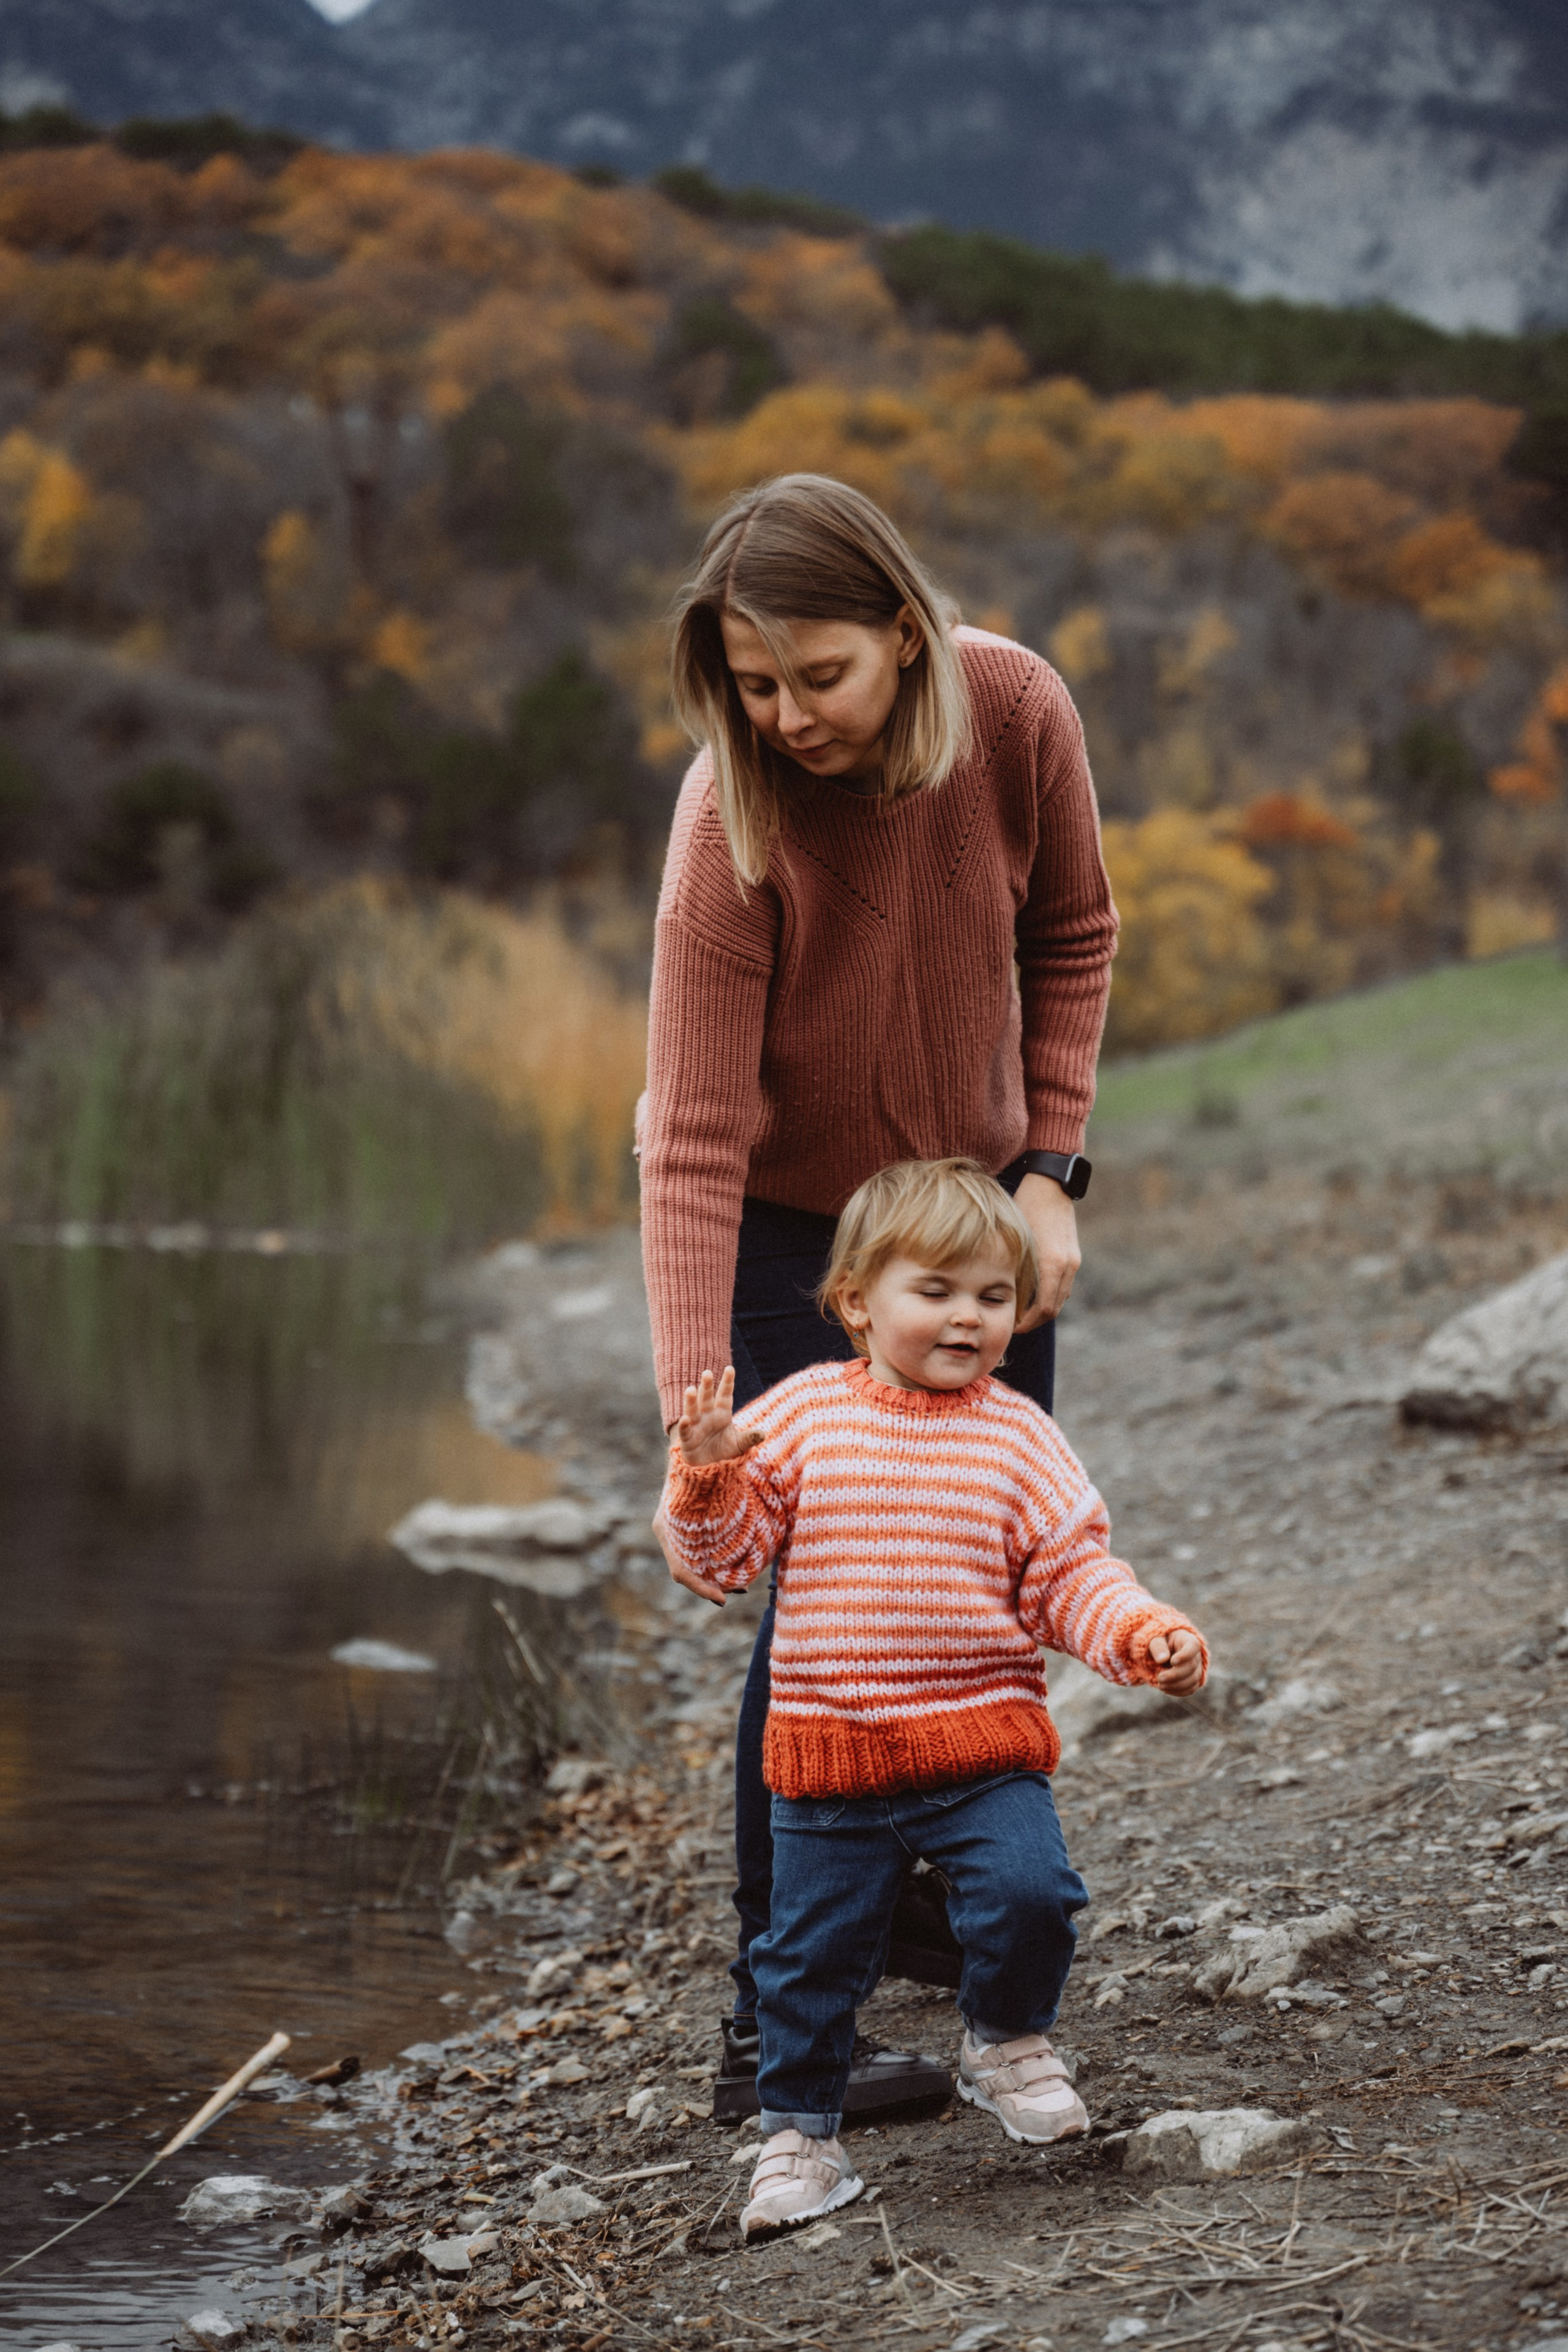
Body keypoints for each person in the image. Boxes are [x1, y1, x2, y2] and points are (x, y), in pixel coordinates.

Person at [638, 472, 1119, 2118]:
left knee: (983, 1570)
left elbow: (1074, 931)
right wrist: (693, 1406)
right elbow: (692, 1133)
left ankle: (962, 1941)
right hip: (799, 1246)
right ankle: (780, 2043)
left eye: (818, 677)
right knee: (828, 1597)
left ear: (906, 637)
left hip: (979, 1227)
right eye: (753, 685)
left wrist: (1054, 1170)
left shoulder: (1017, 706)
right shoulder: (733, 815)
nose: (787, 716)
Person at [659, 1159, 1207, 2234]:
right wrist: (708, 1477)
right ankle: (800, 2138)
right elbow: (723, 1559)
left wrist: (1141, 1632)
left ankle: (1004, 2041)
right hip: (832, 1754)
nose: (968, 1318)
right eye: (937, 1291)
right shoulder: (804, 1417)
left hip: (980, 1749)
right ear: (858, 1300)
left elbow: (1069, 1574)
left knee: (1033, 1896)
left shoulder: (1019, 1437)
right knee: (808, 1960)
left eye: (993, 1298)